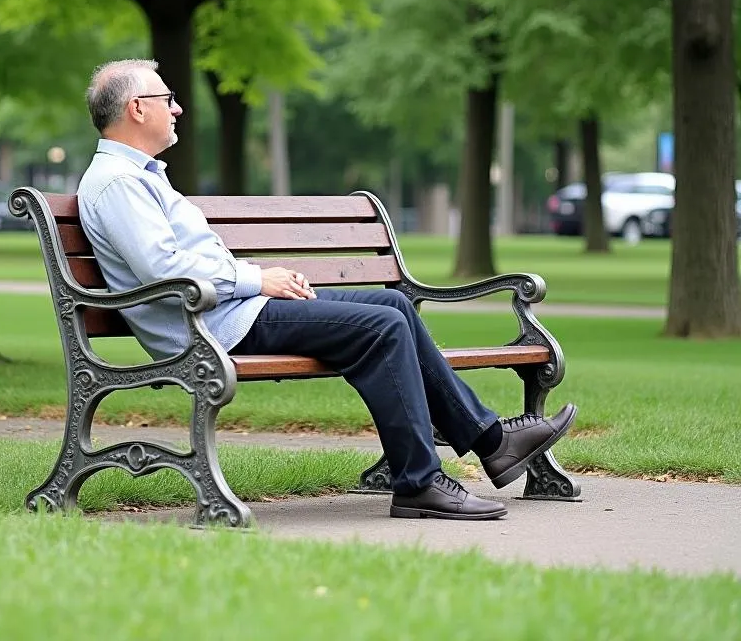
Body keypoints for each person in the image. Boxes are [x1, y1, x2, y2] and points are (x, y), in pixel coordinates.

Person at [76, 59, 576, 521]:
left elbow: (188, 259)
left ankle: (490, 441)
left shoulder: (141, 177)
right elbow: (164, 270)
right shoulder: (118, 183)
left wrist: (259, 278)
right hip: (209, 327)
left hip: (230, 311)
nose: (178, 107)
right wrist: (256, 279)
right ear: (137, 109)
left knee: (393, 303)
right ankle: (420, 482)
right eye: (169, 98)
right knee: (380, 328)